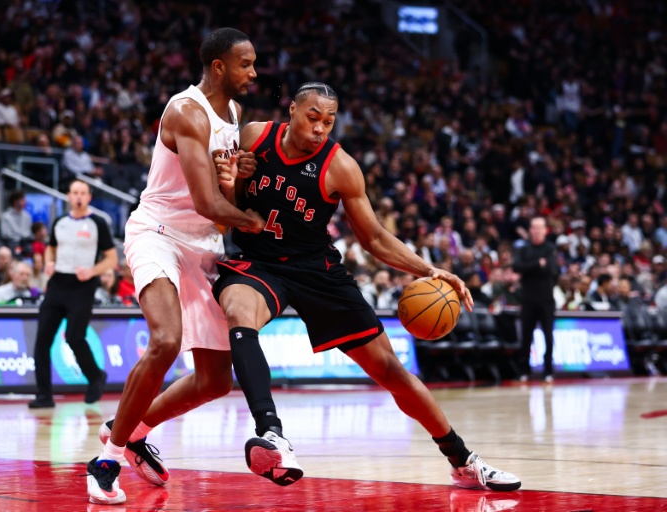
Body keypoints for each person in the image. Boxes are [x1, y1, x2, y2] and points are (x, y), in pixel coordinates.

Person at [116, 83, 520, 494]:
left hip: (317, 270)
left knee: (390, 370)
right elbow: (226, 198)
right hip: (259, 262)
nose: (320, 128)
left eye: (328, 121)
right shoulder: (254, 135)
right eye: (312, 117)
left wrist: (429, 269)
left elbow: (376, 239)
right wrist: (235, 180)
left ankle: (462, 460)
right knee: (239, 309)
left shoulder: (340, 166)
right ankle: (271, 433)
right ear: (291, 110)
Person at [86, 27, 264, 505]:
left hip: (203, 246)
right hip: (158, 233)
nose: (254, 72)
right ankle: (106, 460)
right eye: (245, 64)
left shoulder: (233, 113)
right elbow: (207, 202)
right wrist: (260, 223)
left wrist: (241, 182)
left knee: (213, 381)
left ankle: (131, 429)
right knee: (165, 340)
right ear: (219, 66)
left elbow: (222, 196)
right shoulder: (186, 110)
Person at [29, 179, 117, 409]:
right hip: (57, 284)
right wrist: (49, 263)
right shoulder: (59, 222)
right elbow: (51, 248)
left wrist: (92, 271)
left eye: (83, 193)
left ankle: (96, 376)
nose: (78, 197)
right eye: (74, 192)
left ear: (89, 197)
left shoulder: (98, 222)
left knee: (74, 337)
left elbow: (112, 258)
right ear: (68, 196)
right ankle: (44, 395)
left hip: (82, 287)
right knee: (42, 341)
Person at [512, 216, 558, 383]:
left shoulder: (550, 248)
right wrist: (538, 264)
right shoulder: (524, 249)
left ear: (545, 230)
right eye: (533, 228)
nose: (536, 231)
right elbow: (516, 267)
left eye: (539, 228)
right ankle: (524, 371)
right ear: (530, 230)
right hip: (528, 299)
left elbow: (552, 270)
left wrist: (530, 267)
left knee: (548, 336)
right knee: (526, 337)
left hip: (546, 300)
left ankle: (548, 371)